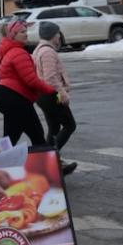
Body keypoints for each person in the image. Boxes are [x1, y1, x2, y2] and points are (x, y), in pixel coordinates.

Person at [0, 19, 57, 148]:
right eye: (22, 32)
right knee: (37, 136)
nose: (26, 34)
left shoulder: (8, 52)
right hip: (17, 100)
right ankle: (49, 166)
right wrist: (51, 90)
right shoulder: (18, 53)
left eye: (26, 31)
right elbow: (31, 80)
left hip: (8, 98)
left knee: (10, 138)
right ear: (13, 35)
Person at [32, 22, 78, 174]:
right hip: (51, 95)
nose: (59, 35)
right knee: (70, 125)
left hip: (43, 95)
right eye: (57, 33)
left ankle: (46, 159)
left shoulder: (40, 49)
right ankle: (50, 157)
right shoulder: (47, 52)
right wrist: (62, 93)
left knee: (54, 128)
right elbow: (50, 78)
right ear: (52, 35)